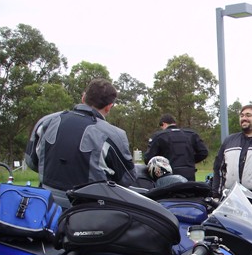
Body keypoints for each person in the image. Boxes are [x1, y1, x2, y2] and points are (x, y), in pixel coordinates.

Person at [25, 78, 136, 208]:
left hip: (45, 206)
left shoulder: (46, 122)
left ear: (83, 98)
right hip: (88, 212)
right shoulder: (114, 135)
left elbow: (31, 161)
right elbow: (127, 178)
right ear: (109, 107)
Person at [145, 114, 209, 181]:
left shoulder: (159, 136)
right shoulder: (191, 134)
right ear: (174, 123)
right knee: (189, 188)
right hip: (188, 173)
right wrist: (190, 161)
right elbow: (203, 152)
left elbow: (148, 158)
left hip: (168, 175)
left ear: (163, 124)